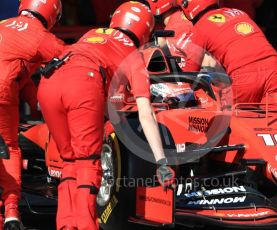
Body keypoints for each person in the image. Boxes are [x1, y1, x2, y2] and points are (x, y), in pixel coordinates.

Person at [37, 2, 175, 229]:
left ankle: (66, 225)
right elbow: (145, 114)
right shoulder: (134, 55)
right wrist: (161, 161)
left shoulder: (92, 33)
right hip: (83, 83)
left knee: (69, 162)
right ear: (145, 31)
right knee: (87, 163)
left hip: (49, 82)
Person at [0, 0, 65, 229]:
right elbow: (72, 61)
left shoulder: (4, 23)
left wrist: (37, 103)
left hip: (6, 87)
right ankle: (10, 212)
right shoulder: (39, 35)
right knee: (9, 149)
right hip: (2, 95)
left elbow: (20, 75)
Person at [174, 0, 277, 106]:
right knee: (274, 123)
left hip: (244, 77)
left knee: (227, 120)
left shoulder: (200, 27)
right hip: (274, 70)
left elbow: (189, 74)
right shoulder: (239, 13)